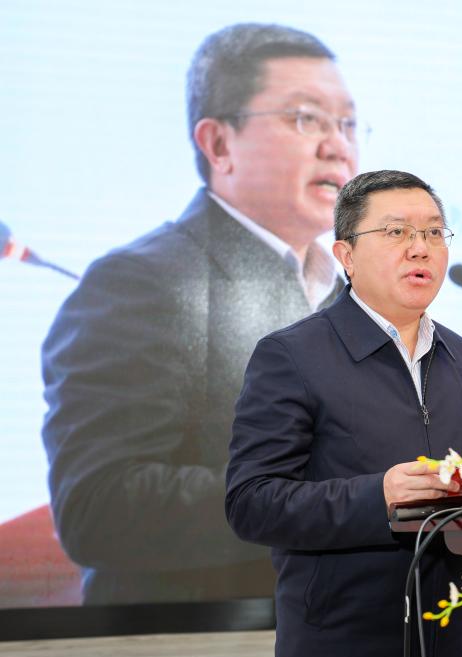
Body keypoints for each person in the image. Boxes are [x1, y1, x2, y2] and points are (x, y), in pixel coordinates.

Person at [40, 23, 360, 604]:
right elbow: (98, 505)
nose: (338, 145)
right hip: (204, 639)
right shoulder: (139, 283)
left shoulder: (346, 294)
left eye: (347, 124)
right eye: (305, 118)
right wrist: (328, 496)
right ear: (219, 145)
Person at [226, 170, 462, 657]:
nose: (420, 248)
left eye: (434, 232)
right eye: (396, 232)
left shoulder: (459, 355)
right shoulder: (292, 355)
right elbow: (251, 503)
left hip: (451, 643)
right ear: (345, 256)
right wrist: (379, 496)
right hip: (341, 647)